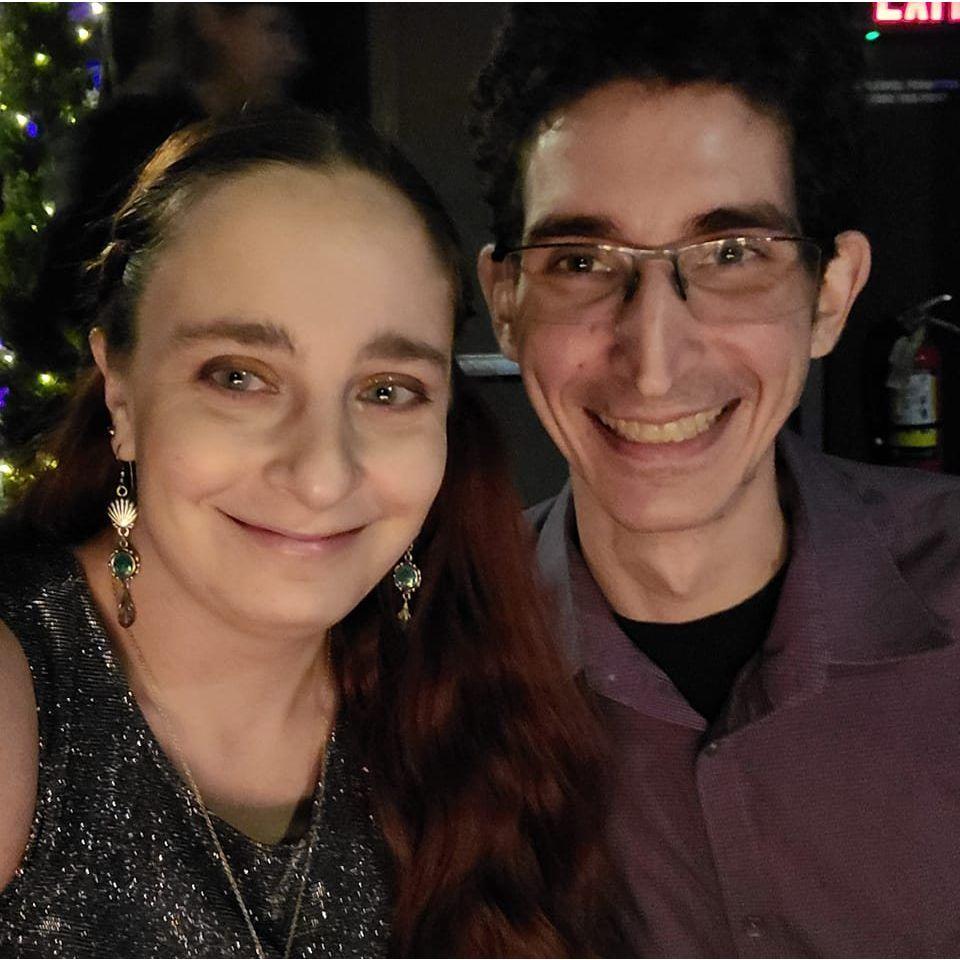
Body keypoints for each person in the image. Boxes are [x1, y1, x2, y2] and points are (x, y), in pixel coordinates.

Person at [0, 108, 624, 958]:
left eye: (387, 390)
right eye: (239, 377)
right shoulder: (22, 694)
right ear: (121, 392)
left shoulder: (470, 714)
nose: (323, 474)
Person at [472, 5, 960, 956]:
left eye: (733, 254)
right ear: (506, 304)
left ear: (831, 294)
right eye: (581, 261)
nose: (654, 365)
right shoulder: (426, 667)